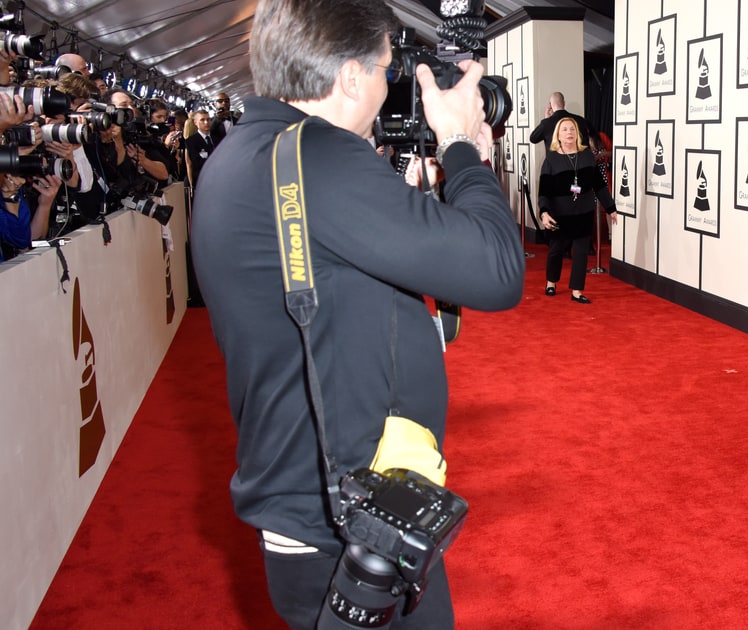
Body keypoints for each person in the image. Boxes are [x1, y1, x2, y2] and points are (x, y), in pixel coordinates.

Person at [190, 0, 525, 627]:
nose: (386, 88)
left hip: (309, 498)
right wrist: (461, 148)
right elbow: (499, 271)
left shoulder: (244, 156)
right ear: (349, 76)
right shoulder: (318, 159)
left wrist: (408, 193)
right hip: (350, 523)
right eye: (383, 70)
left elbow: (335, 268)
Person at [538, 116, 617, 303]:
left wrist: (611, 208)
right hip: (559, 214)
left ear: (578, 134)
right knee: (556, 249)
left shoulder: (587, 156)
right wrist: (544, 212)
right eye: (564, 129)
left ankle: (577, 291)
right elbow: (544, 191)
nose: (569, 133)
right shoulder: (551, 160)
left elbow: (599, 185)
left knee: (581, 251)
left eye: (572, 129)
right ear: (558, 134)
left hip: (584, 212)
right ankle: (551, 282)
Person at [184, 110, 216, 188]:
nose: (206, 122)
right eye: (202, 120)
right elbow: (196, 162)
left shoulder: (217, 138)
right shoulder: (191, 141)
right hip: (201, 182)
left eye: (208, 119)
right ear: (195, 123)